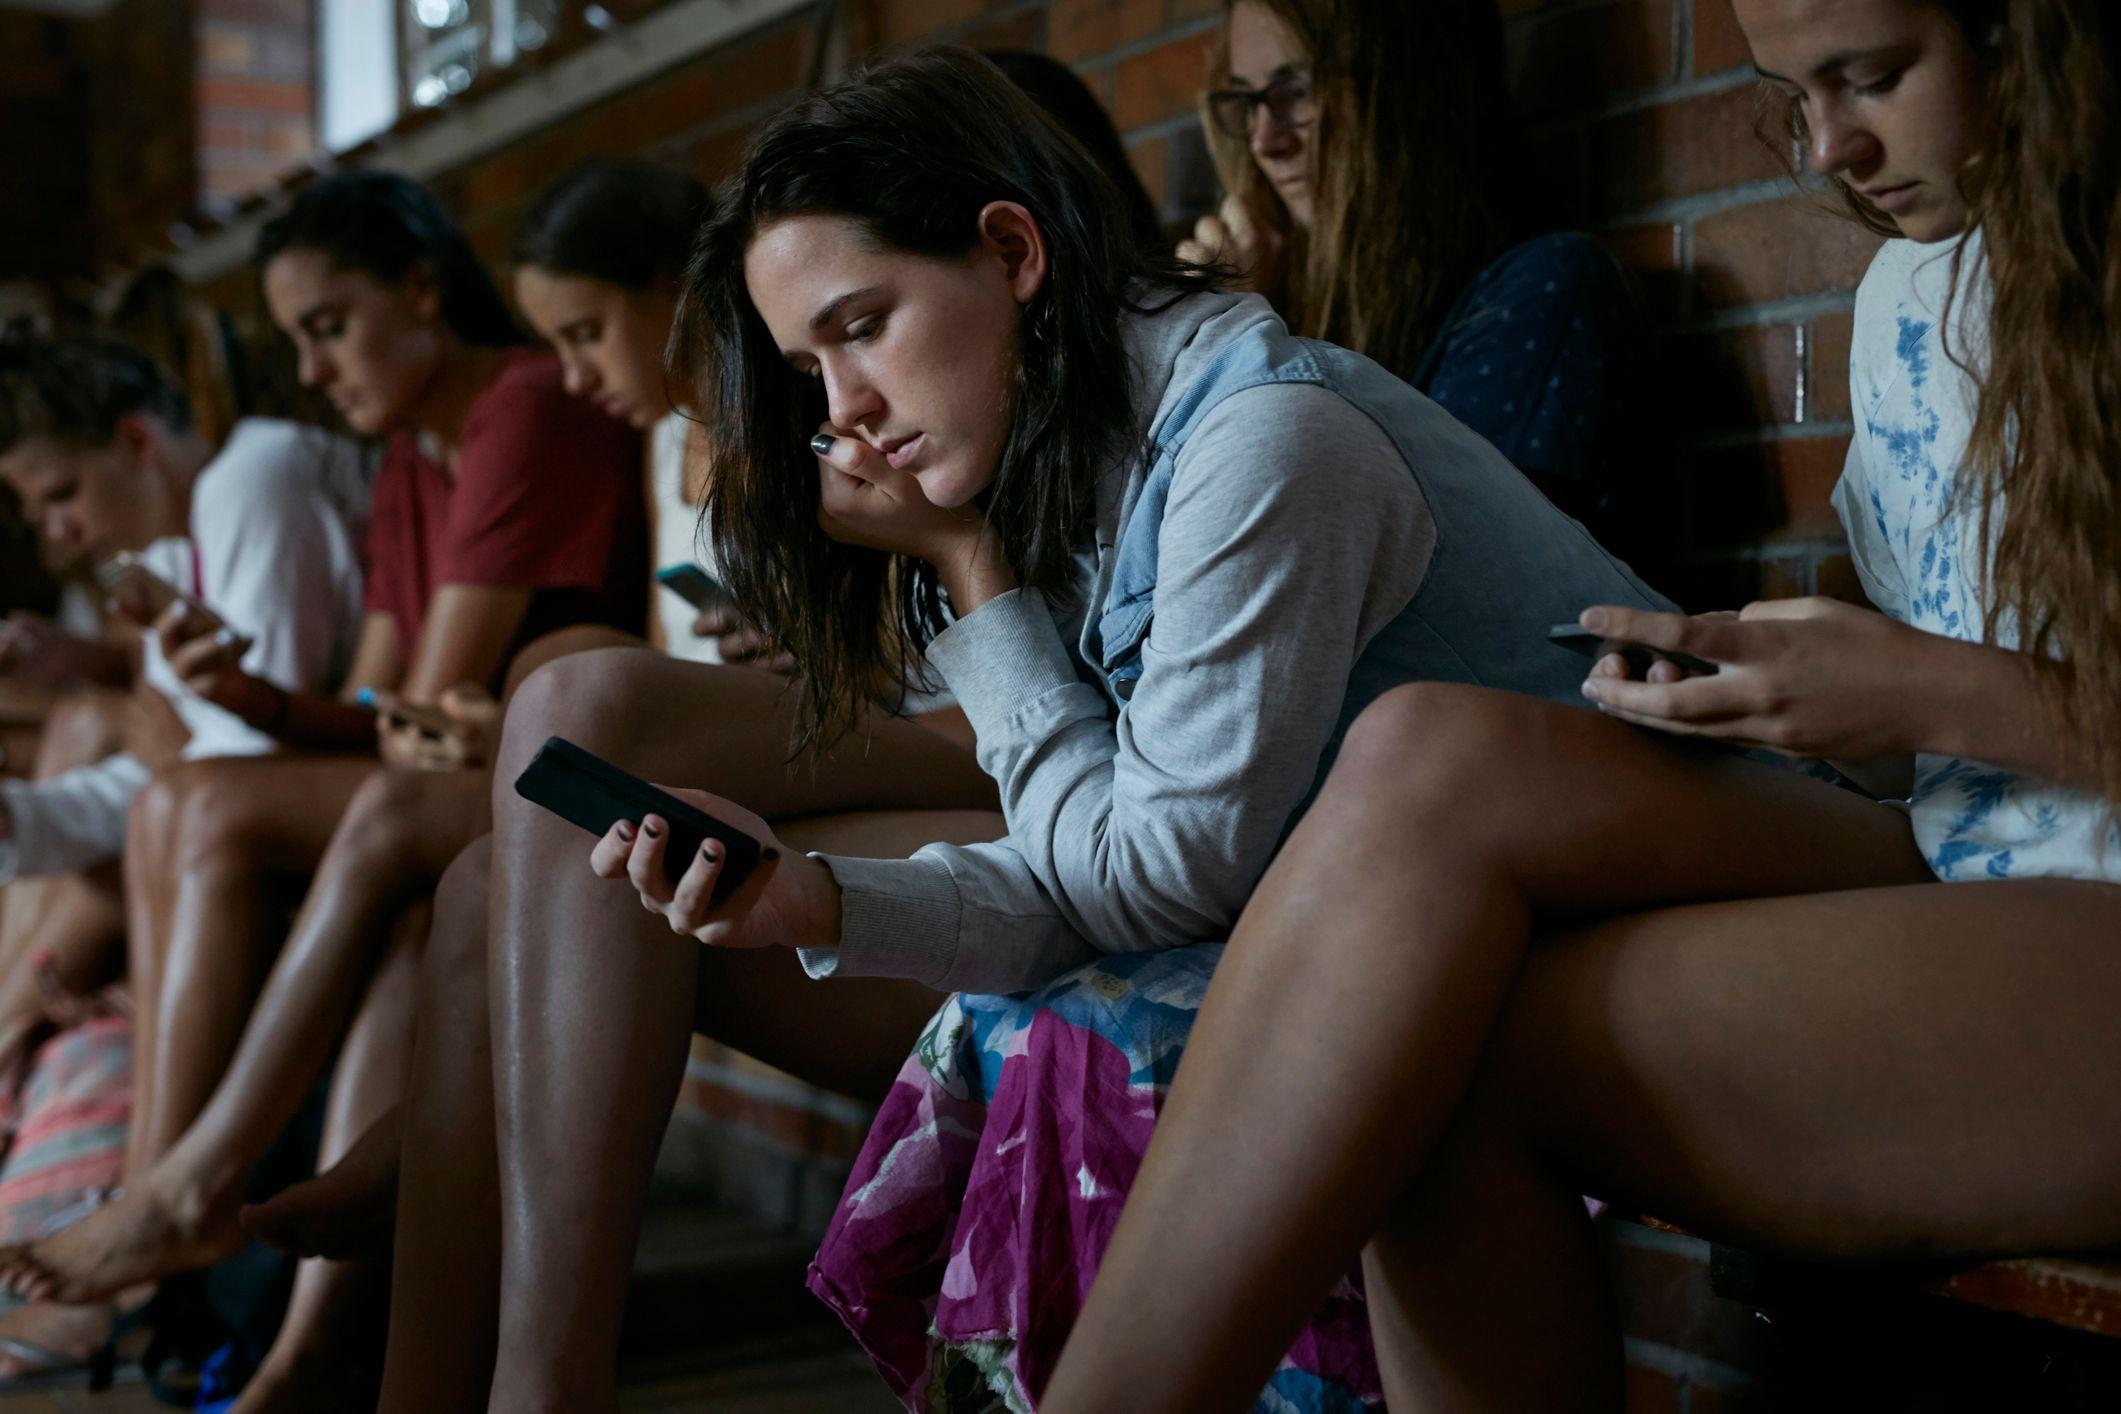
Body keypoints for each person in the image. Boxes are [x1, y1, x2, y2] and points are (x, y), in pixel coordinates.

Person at [360, 45, 1667, 1414]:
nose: (841, 411)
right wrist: (814, 895)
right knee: (558, 851)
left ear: (1011, 250)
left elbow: (1156, 878)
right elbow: (1105, 849)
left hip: (1588, 874)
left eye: (861, 325)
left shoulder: (1263, 439)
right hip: (1342, 889)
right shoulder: (1051, 435)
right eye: (810, 364)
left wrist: (973, 576)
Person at [1037, 2, 2121, 1409]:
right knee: (1428, 783)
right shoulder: (1912, 292)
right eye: (1792, 94)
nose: (1830, 146)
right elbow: (1950, 705)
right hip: (1961, 859)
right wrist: (1783, 685)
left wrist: (1923, 687)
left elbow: (1969, 692)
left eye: (1872, 78)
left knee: (1441, 1056)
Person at [0, 172, 645, 1412]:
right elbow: (377, 701)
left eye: (329, 325)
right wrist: (240, 695)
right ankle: (198, 1246)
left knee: (206, 804)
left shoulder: (521, 405)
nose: (308, 367)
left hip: (566, 782)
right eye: (293, 337)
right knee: (202, 800)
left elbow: (426, 705)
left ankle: (178, 1200)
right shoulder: (409, 457)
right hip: (455, 780)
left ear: (420, 289)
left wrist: (260, 721)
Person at [0, 333, 371, 1387]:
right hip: (261, 804)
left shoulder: (254, 476)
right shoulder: (169, 561)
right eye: (35, 513)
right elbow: (169, 777)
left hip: (349, 795)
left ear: (134, 440)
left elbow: (240, 763)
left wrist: (123, 692)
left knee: (177, 806)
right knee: (152, 802)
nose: (56, 531)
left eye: (62, 491)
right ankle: (139, 1196)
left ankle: (157, 1201)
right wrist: (17, 819)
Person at [1180, 0, 1644, 527]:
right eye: (1249, 100)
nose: (1266, 141)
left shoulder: (1542, 296)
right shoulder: (1285, 293)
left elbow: (1425, 578)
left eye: (1300, 90)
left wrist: (1234, 342)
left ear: (1407, 93)